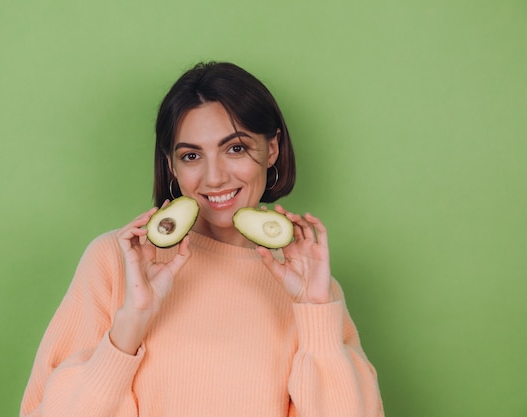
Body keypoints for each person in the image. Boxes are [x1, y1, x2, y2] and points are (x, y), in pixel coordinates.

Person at [20, 61, 384, 417]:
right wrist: (132, 323)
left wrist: (315, 311)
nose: (214, 178)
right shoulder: (118, 260)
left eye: (235, 148)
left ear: (271, 149)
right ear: (171, 166)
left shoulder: (309, 283)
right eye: (192, 155)